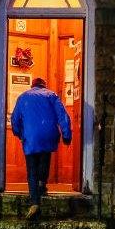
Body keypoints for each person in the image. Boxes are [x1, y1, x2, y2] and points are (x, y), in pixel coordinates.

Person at [11, 77, 71, 220]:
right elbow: (63, 116)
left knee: (32, 169)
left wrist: (19, 133)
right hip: (48, 134)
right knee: (44, 159)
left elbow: (15, 119)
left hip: (31, 136)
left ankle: (35, 203)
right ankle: (42, 185)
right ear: (44, 85)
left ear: (32, 86)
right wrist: (67, 135)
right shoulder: (51, 95)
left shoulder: (23, 97)